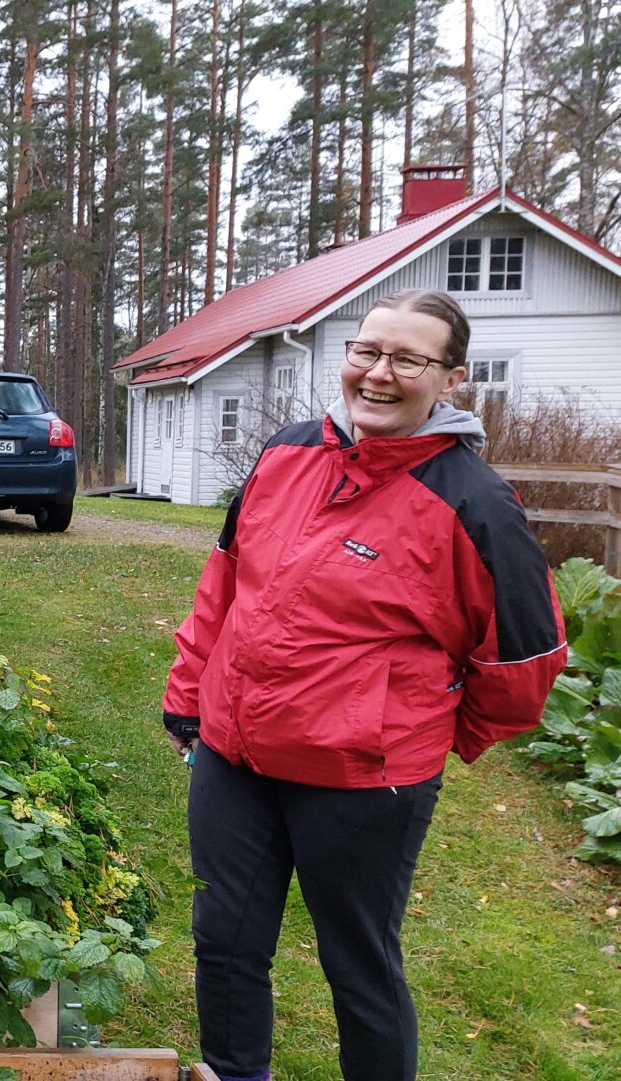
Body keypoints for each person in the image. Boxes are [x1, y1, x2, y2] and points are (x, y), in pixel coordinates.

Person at [163, 288, 565, 1081]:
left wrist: (414, 724)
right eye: (367, 352)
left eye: (408, 359)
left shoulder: (474, 502)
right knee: (226, 941)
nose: (379, 374)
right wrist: (190, 697)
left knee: (358, 965)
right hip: (235, 758)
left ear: (450, 379)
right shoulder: (285, 454)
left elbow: (525, 662)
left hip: (362, 782)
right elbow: (225, 585)